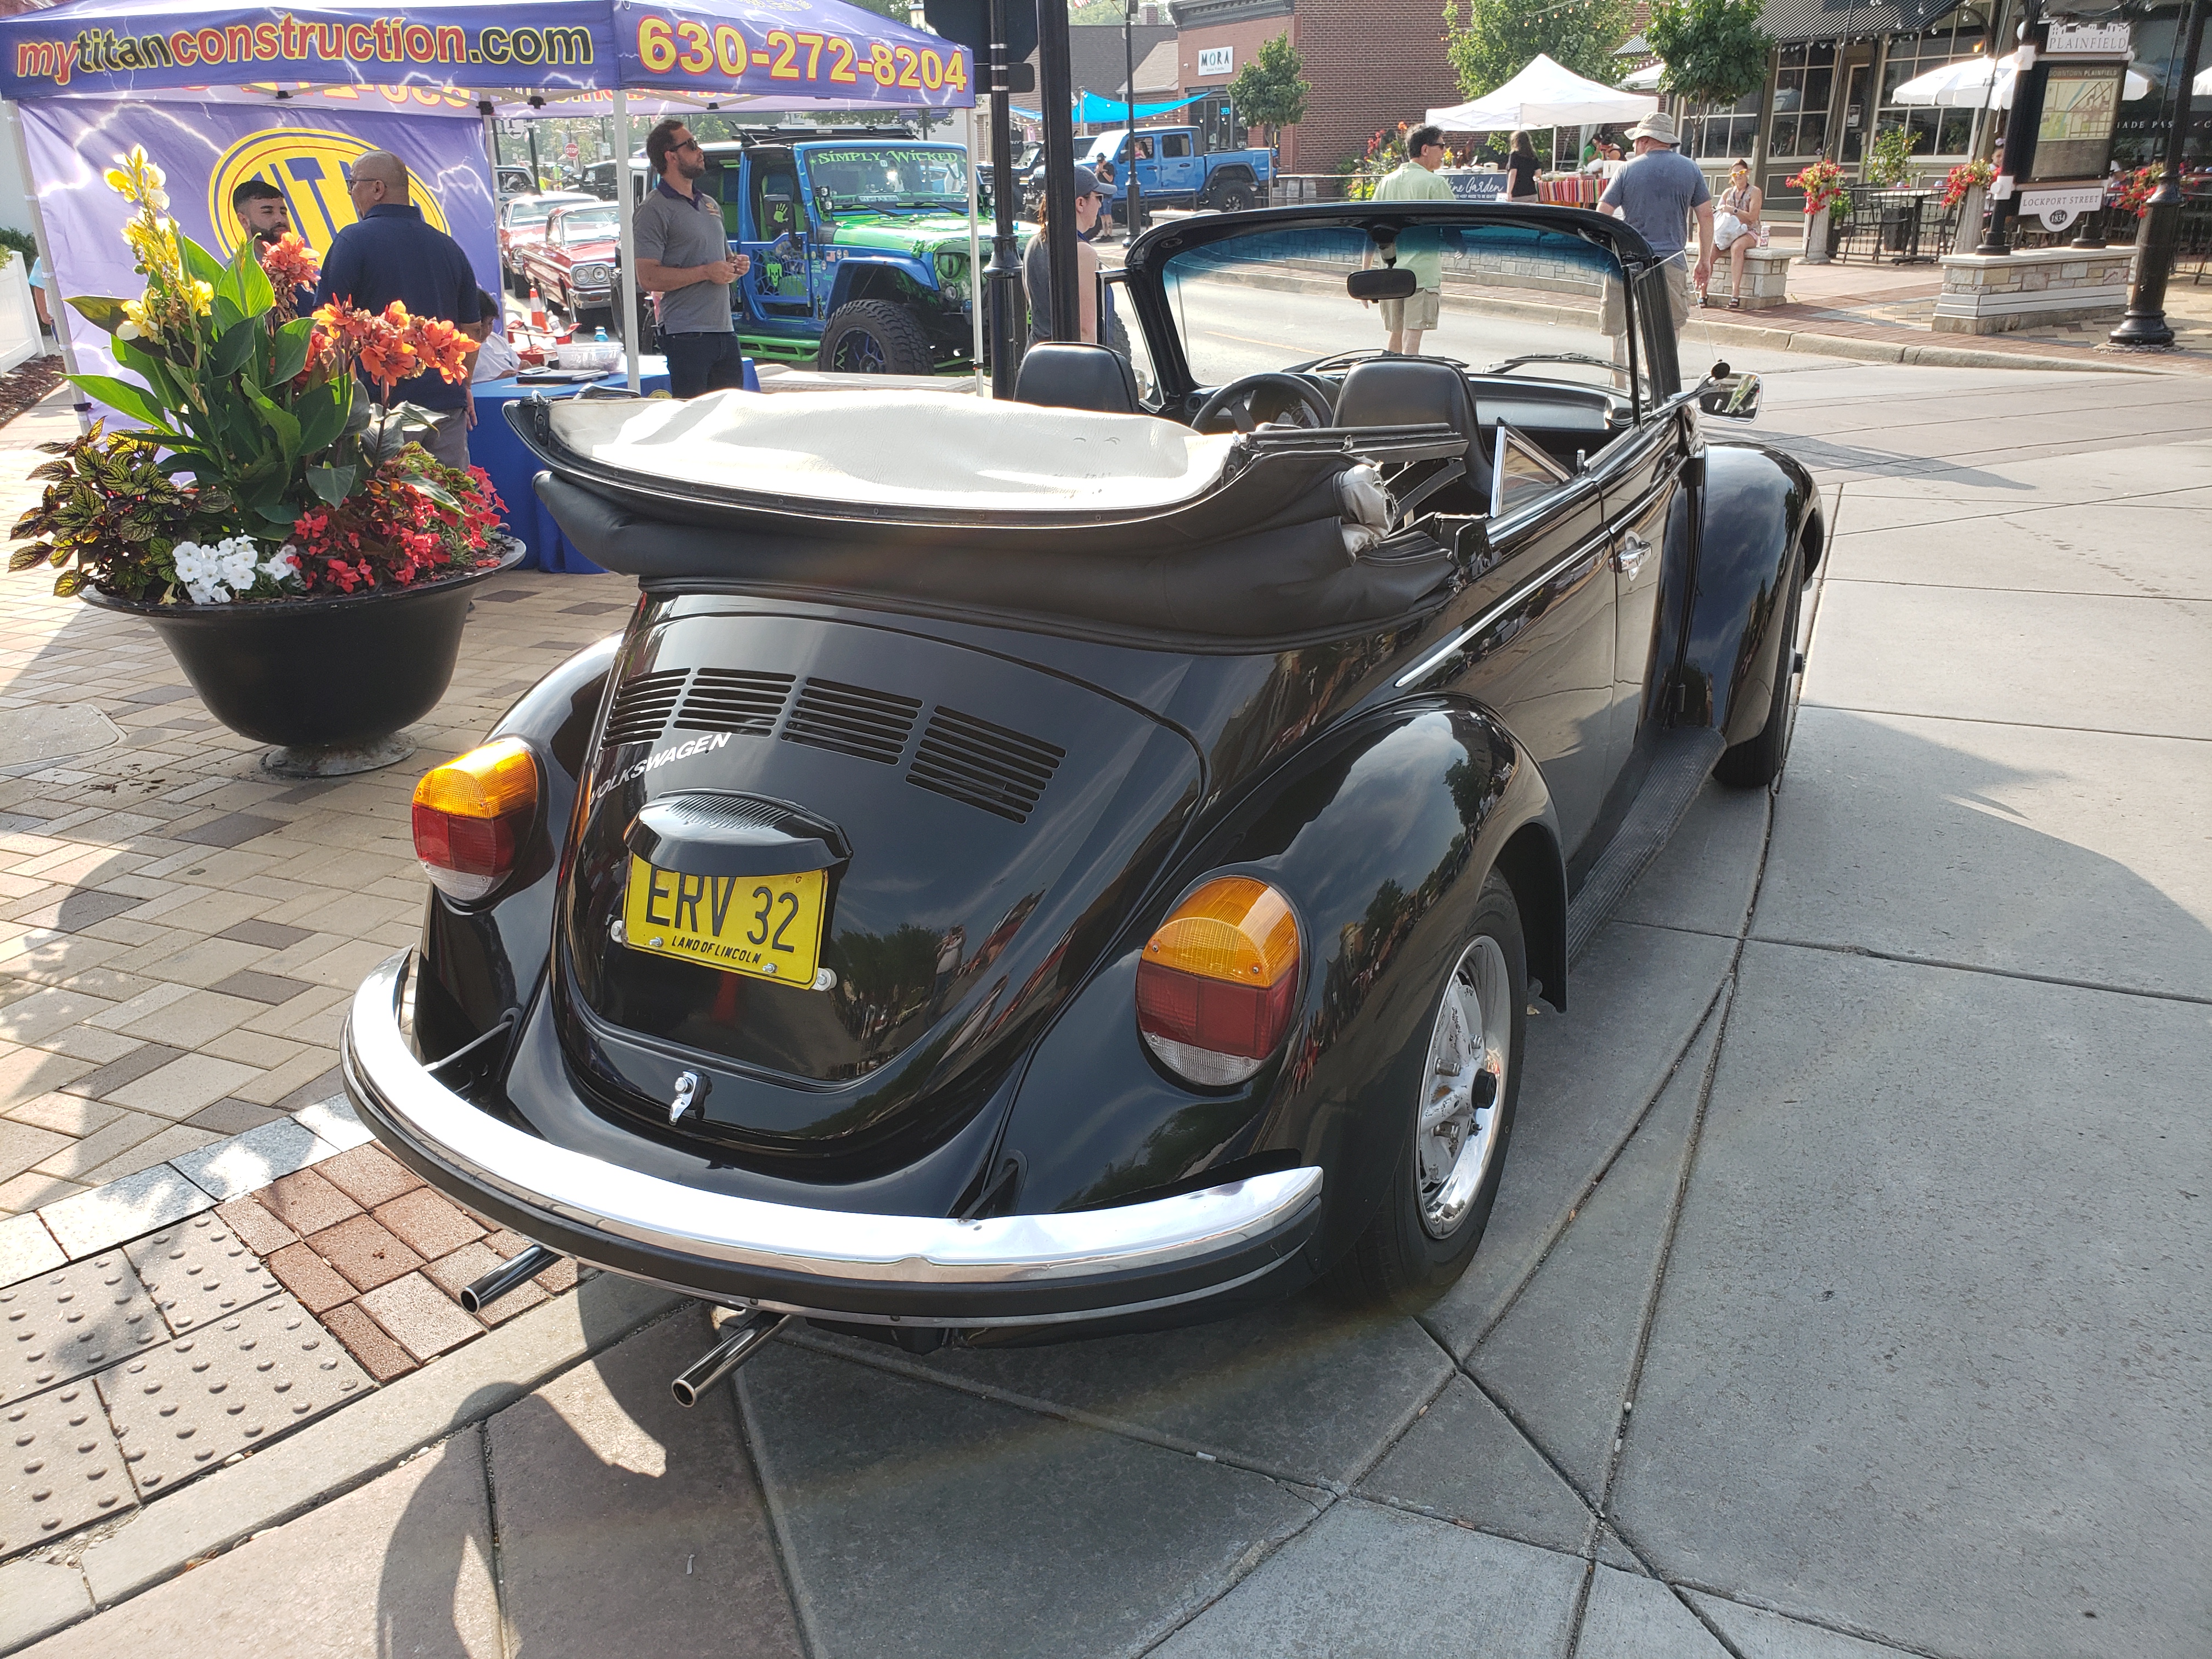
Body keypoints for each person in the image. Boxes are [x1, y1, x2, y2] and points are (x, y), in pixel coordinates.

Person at [314, 151, 482, 468]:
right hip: (446, 405)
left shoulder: (353, 240)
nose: (351, 193)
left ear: (377, 188)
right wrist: (465, 385)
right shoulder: (448, 246)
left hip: (383, 415)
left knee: (393, 496)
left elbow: (327, 324)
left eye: (353, 184)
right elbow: (472, 329)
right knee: (451, 494)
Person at [634, 119, 751, 398]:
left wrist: (735, 266)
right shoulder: (653, 209)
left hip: (724, 330)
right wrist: (706, 272)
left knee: (732, 416)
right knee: (694, 417)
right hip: (686, 335)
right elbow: (648, 278)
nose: (700, 151)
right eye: (692, 145)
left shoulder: (709, 203)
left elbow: (722, 259)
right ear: (671, 156)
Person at [1597, 111, 1713, 343]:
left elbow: (1603, 212)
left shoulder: (1627, 170)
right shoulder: (1691, 169)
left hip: (1629, 260)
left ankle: (1620, 369)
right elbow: (1707, 216)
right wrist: (1704, 260)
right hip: (1671, 260)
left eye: (1635, 141)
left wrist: (1606, 248)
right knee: (1669, 327)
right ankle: (1659, 367)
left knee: (1621, 329)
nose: (1634, 146)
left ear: (1645, 140)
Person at [1365, 123, 1455, 356]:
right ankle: (1407, 377)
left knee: (1396, 336)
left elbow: (1370, 228)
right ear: (1426, 149)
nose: (1444, 151)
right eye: (1441, 146)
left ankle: (1389, 374)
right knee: (1412, 341)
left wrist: (1365, 273)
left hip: (1391, 275)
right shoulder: (1435, 184)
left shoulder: (1387, 182)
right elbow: (1454, 227)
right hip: (1421, 275)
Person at [1024, 165, 1107, 345]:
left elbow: (1035, 306)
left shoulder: (1034, 244)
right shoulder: (1083, 253)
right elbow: (1085, 332)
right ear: (1080, 203)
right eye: (1098, 197)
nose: (1101, 204)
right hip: (1068, 357)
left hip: (1036, 354)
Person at [232, 179, 316, 315]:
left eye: (283, 213)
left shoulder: (301, 271)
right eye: (268, 212)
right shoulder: (237, 275)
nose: (280, 220)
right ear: (244, 221)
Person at [1707, 158, 1764, 309]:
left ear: (1748, 173)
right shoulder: (1728, 193)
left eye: (1741, 172)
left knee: (1737, 248)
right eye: (1734, 174)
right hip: (1728, 232)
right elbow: (1717, 212)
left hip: (1749, 231)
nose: (1738, 176)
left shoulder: (1755, 192)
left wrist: (1734, 210)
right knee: (1710, 252)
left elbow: (1752, 217)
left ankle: (1735, 294)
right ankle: (1703, 293)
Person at [466, 288, 522, 382]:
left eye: (490, 323)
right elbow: (465, 387)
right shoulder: (459, 353)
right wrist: (498, 381)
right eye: (480, 326)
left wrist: (524, 369)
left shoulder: (499, 341)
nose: (486, 330)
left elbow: (518, 367)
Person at [1506, 131, 1542, 202]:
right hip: (1532, 193)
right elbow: (1538, 172)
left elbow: (1513, 173)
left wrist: (1509, 193)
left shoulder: (1515, 155)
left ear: (1516, 141)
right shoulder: (1532, 155)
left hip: (1518, 194)